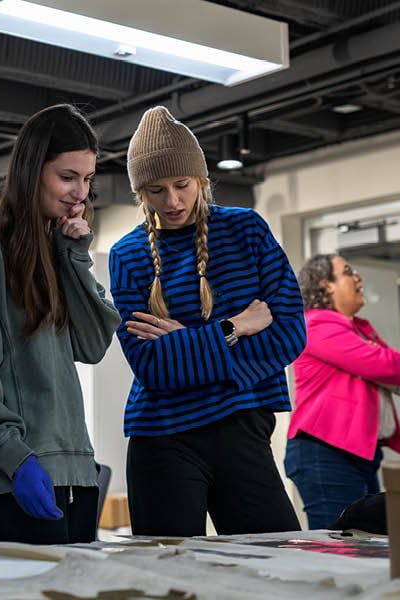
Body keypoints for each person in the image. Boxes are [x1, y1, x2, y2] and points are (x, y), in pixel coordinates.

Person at [107, 106, 306, 537]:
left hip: (242, 427)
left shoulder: (246, 231)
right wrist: (232, 328)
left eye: (182, 185)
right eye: (156, 190)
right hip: (161, 436)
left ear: (201, 179)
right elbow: (152, 368)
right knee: (169, 579)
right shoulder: (128, 254)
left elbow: (289, 332)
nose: (172, 202)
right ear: (141, 192)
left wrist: (185, 345)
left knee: (276, 566)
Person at [0, 104, 121, 545]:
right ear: (31, 171)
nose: (80, 192)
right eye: (67, 177)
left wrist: (75, 256)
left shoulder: (55, 246)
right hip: (14, 476)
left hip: (74, 471)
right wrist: (14, 458)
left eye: (87, 179)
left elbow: (93, 343)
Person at [285, 254, 400, 529]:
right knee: (341, 545)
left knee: (365, 538)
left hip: (355, 452)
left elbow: (384, 368)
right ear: (327, 285)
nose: (358, 277)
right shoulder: (316, 323)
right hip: (326, 452)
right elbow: (381, 363)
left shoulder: (356, 328)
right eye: (348, 272)